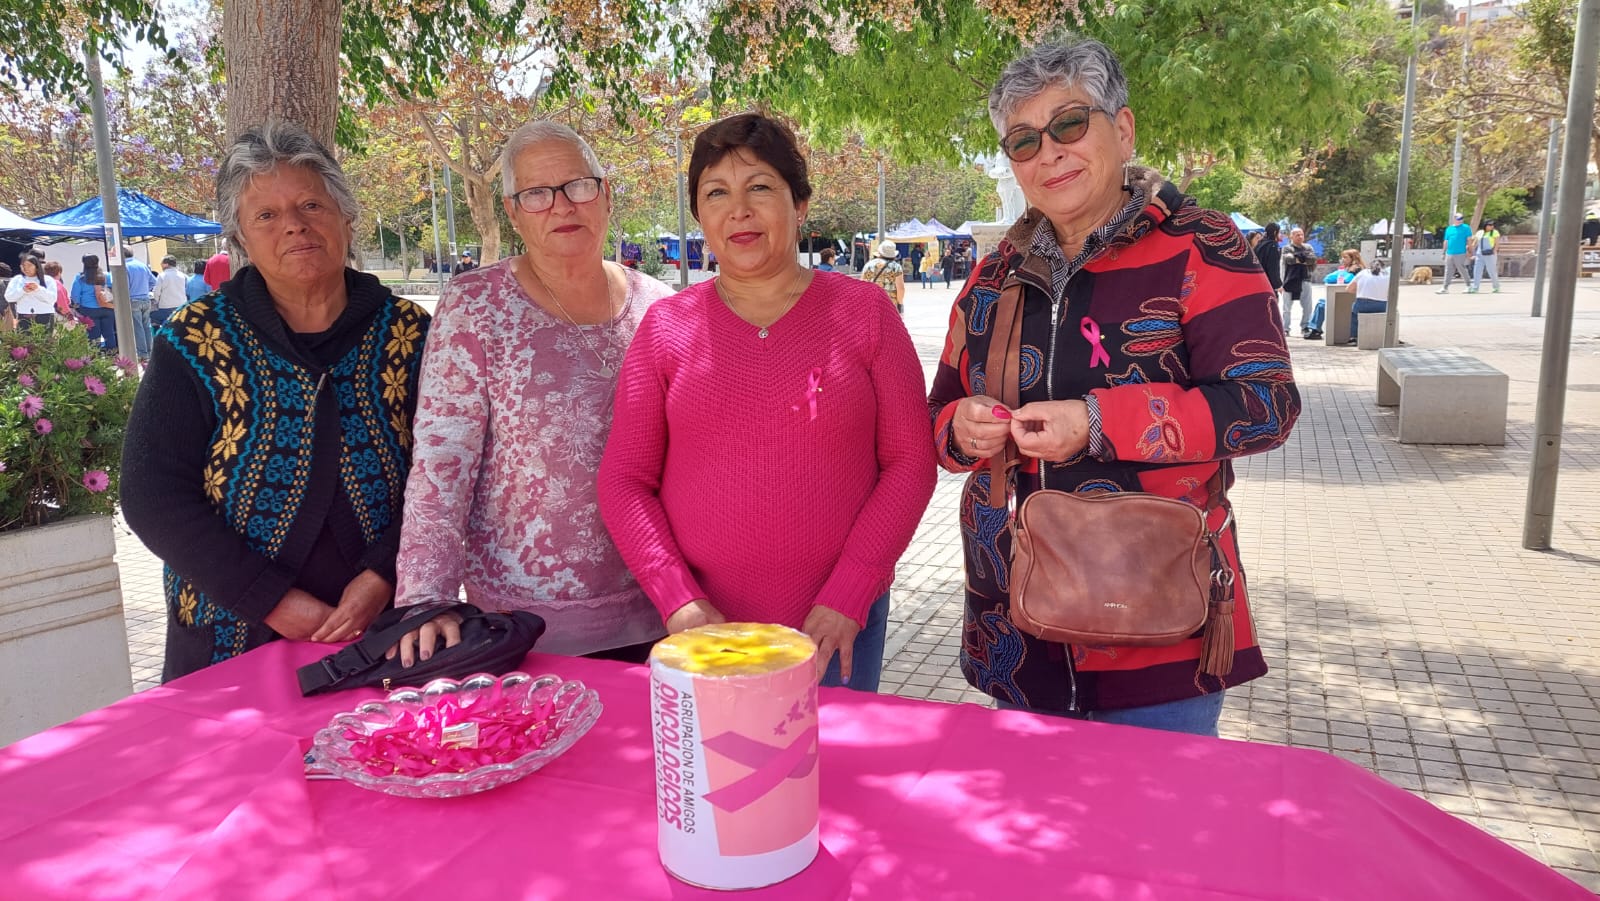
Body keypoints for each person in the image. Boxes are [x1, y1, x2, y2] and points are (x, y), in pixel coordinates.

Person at [927, 38, 1300, 736]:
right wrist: (957, 428)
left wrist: (1097, 420)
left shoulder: (1202, 245)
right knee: (1032, 837)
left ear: (1122, 129)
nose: (1051, 152)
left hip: (1161, 629)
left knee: (1160, 840)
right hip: (1017, 629)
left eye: (1070, 124)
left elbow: (1265, 406)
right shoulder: (991, 278)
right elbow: (933, 421)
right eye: (1024, 139)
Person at [598, 112, 937, 692]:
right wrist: (679, 602)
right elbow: (625, 480)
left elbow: (910, 463)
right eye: (716, 193)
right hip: (708, 633)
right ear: (701, 216)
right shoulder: (665, 328)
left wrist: (851, 592)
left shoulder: (865, 315)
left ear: (799, 204)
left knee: (833, 779)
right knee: (719, 780)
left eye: (760, 187)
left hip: (836, 627)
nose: (739, 210)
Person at [120, 122, 431, 681]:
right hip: (231, 630)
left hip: (381, 626)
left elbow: (443, 472)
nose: (293, 224)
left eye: (312, 203)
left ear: (346, 216)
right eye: (265, 215)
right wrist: (271, 600)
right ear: (239, 236)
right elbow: (152, 495)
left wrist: (384, 572)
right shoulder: (195, 339)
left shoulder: (409, 333)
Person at [388, 121, 675, 667]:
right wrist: (427, 602)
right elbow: (441, 464)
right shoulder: (476, 306)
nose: (562, 206)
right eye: (537, 194)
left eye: (578, 186)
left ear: (605, 193)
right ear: (513, 212)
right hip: (525, 625)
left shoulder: (659, 307)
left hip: (660, 607)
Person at [1302, 248, 1364, 340]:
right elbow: (1327, 279)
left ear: (1353, 258)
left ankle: (1315, 329)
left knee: (1321, 304)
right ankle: (1315, 329)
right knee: (1321, 302)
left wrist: (1341, 274)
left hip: (1350, 300)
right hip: (1342, 297)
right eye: (1342, 257)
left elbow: (1347, 281)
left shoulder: (1357, 270)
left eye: (1345, 257)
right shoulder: (1345, 269)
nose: (1342, 260)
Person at [70, 254, 115, 350]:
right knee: (109, 333)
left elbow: (75, 295)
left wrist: (77, 304)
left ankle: (96, 357)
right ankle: (113, 355)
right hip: (107, 308)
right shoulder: (106, 275)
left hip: (88, 309)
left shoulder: (80, 278)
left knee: (94, 336)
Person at [4, 254, 58, 331]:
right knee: (24, 341)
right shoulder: (17, 279)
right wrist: (23, 291)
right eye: (23, 266)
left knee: (44, 341)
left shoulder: (48, 280)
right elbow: (8, 297)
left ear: (36, 266)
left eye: (29, 265)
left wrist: (38, 289)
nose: (26, 268)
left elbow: (52, 299)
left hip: (45, 316)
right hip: (24, 315)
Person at [123, 246, 157, 360]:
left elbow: (124, 287)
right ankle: (150, 352)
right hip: (145, 299)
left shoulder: (124, 267)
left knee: (138, 327)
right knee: (146, 326)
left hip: (133, 300)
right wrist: (145, 289)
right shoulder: (142, 265)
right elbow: (153, 281)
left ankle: (143, 354)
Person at [1281, 227, 1316, 335]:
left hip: (1305, 279)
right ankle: (1286, 328)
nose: (1300, 237)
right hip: (1290, 280)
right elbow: (1290, 260)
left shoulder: (1308, 247)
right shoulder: (1287, 248)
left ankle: (1305, 327)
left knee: (1307, 306)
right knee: (1287, 307)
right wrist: (1303, 259)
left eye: (1301, 234)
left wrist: (1299, 259)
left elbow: (1312, 260)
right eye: (1297, 235)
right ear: (1291, 236)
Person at [1347, 259, 1390, 344]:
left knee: (1354, 312)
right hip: (1381, 306)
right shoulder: (1387, 275)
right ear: (1383, 267)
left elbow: (1349, 289)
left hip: (1362, 304)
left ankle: (1353, 337)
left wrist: (1361, 291)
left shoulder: (1363, 273)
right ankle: (1388, 336)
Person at [860, 239, 907, 314]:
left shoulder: (868, 265)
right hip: (890, 306)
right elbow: (901, 289)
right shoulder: (896, 267)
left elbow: (862, 286)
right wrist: (900, 303)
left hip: (871, 304)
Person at [152, 255, 187, 329]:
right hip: (181, 305)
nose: (161, 265)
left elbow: (157, 292)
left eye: (161, 263)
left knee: (152, 316)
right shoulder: (182, 275)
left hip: (166, 307)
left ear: (166, 264)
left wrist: (156, 301)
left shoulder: (162, 275)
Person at [1438, 212, 1471, 293]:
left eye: (1461, 218)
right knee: (1448, 270)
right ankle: (1445, 288)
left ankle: (1468, 286)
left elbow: (1469, 240)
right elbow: (1446, 241)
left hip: (1460, 252)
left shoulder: (1466, 228)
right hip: (1450, 253)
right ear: (1454, 219)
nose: (1460, 220)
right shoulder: (1449, 229)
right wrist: (1443, 252)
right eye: (1458, 219)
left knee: (1461, 269)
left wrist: (1469, 251)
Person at [1468, 219, 1501, 294]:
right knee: (1477, 271)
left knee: (1491, 271)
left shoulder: (1495, 233)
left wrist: (1494, 252)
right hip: (1480, 254)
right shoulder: (1480, 232)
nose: (1491, 226)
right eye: (1489, 225)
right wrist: (1471, 250)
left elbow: (1497, 244)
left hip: (1490, 254)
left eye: (1492, 225)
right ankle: (1475, 287)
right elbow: (1475, 243)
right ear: (1485, 225)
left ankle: (1496, 286)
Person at [1255, 222, 1283, 308]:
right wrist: (1278, 285)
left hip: (1259, 283)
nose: (1281, 235)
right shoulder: (1273, 246)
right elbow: (1273, 267)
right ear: (1275, 232)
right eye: (1279, 232)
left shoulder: (1260, 244)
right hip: (1268, 285)